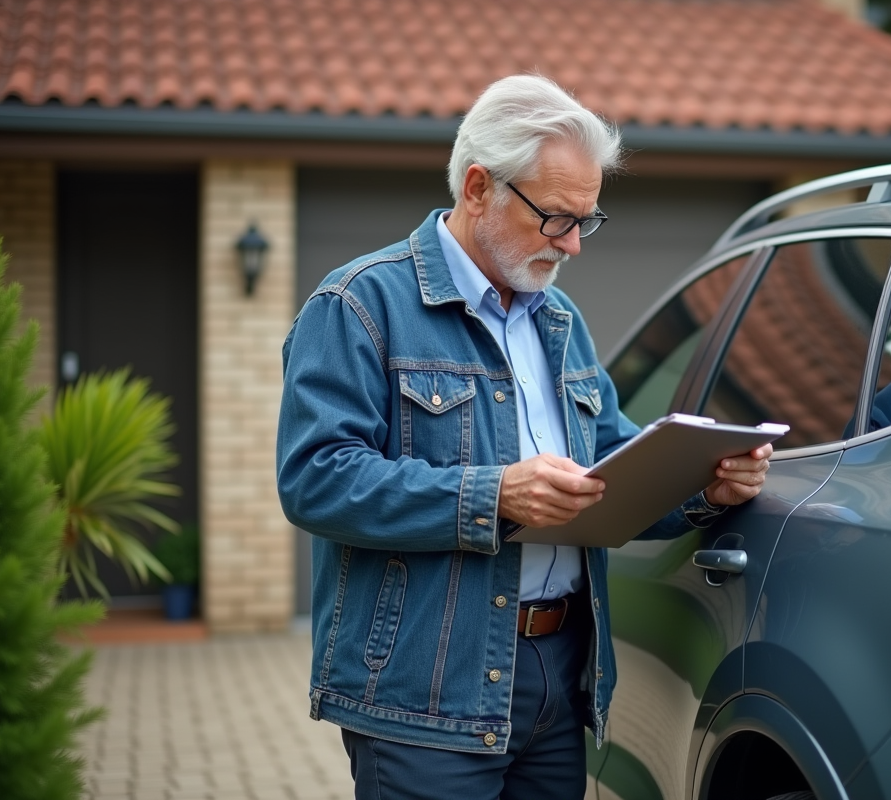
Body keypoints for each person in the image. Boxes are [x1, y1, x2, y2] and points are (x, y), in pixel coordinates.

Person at [276, 74, 772, 800]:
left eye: (588, 220)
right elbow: (316, 479)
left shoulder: (558, 319)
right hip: (426, 689)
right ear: (478, 187)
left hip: (558, 677)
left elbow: (612, 465)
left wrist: (703, 482)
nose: (573, 245)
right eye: (557, 219)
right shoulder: (357, 304)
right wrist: (496, 494)